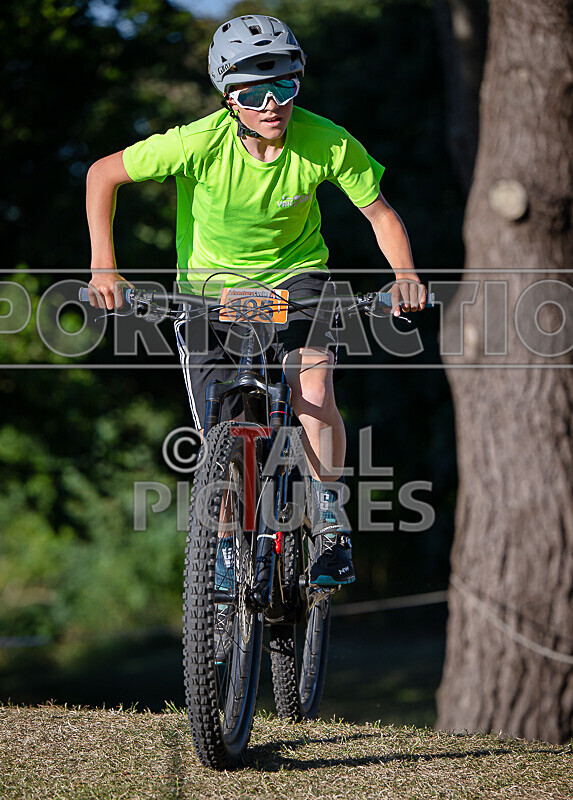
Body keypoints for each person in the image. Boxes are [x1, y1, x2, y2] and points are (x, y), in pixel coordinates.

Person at [85, 14, 426, 587]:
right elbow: (101, 175)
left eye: (285, 88)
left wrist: (406, 276)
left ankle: (327, 516)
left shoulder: (326, 142)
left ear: (298, 85)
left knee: (312, 385)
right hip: (209, 293)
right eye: (253, 93)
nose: (272, 105)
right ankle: (224, 548)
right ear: (229, 97)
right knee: (223, 429)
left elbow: (381, 215)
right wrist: (104, 267)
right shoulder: (197, 143)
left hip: (297, 280)